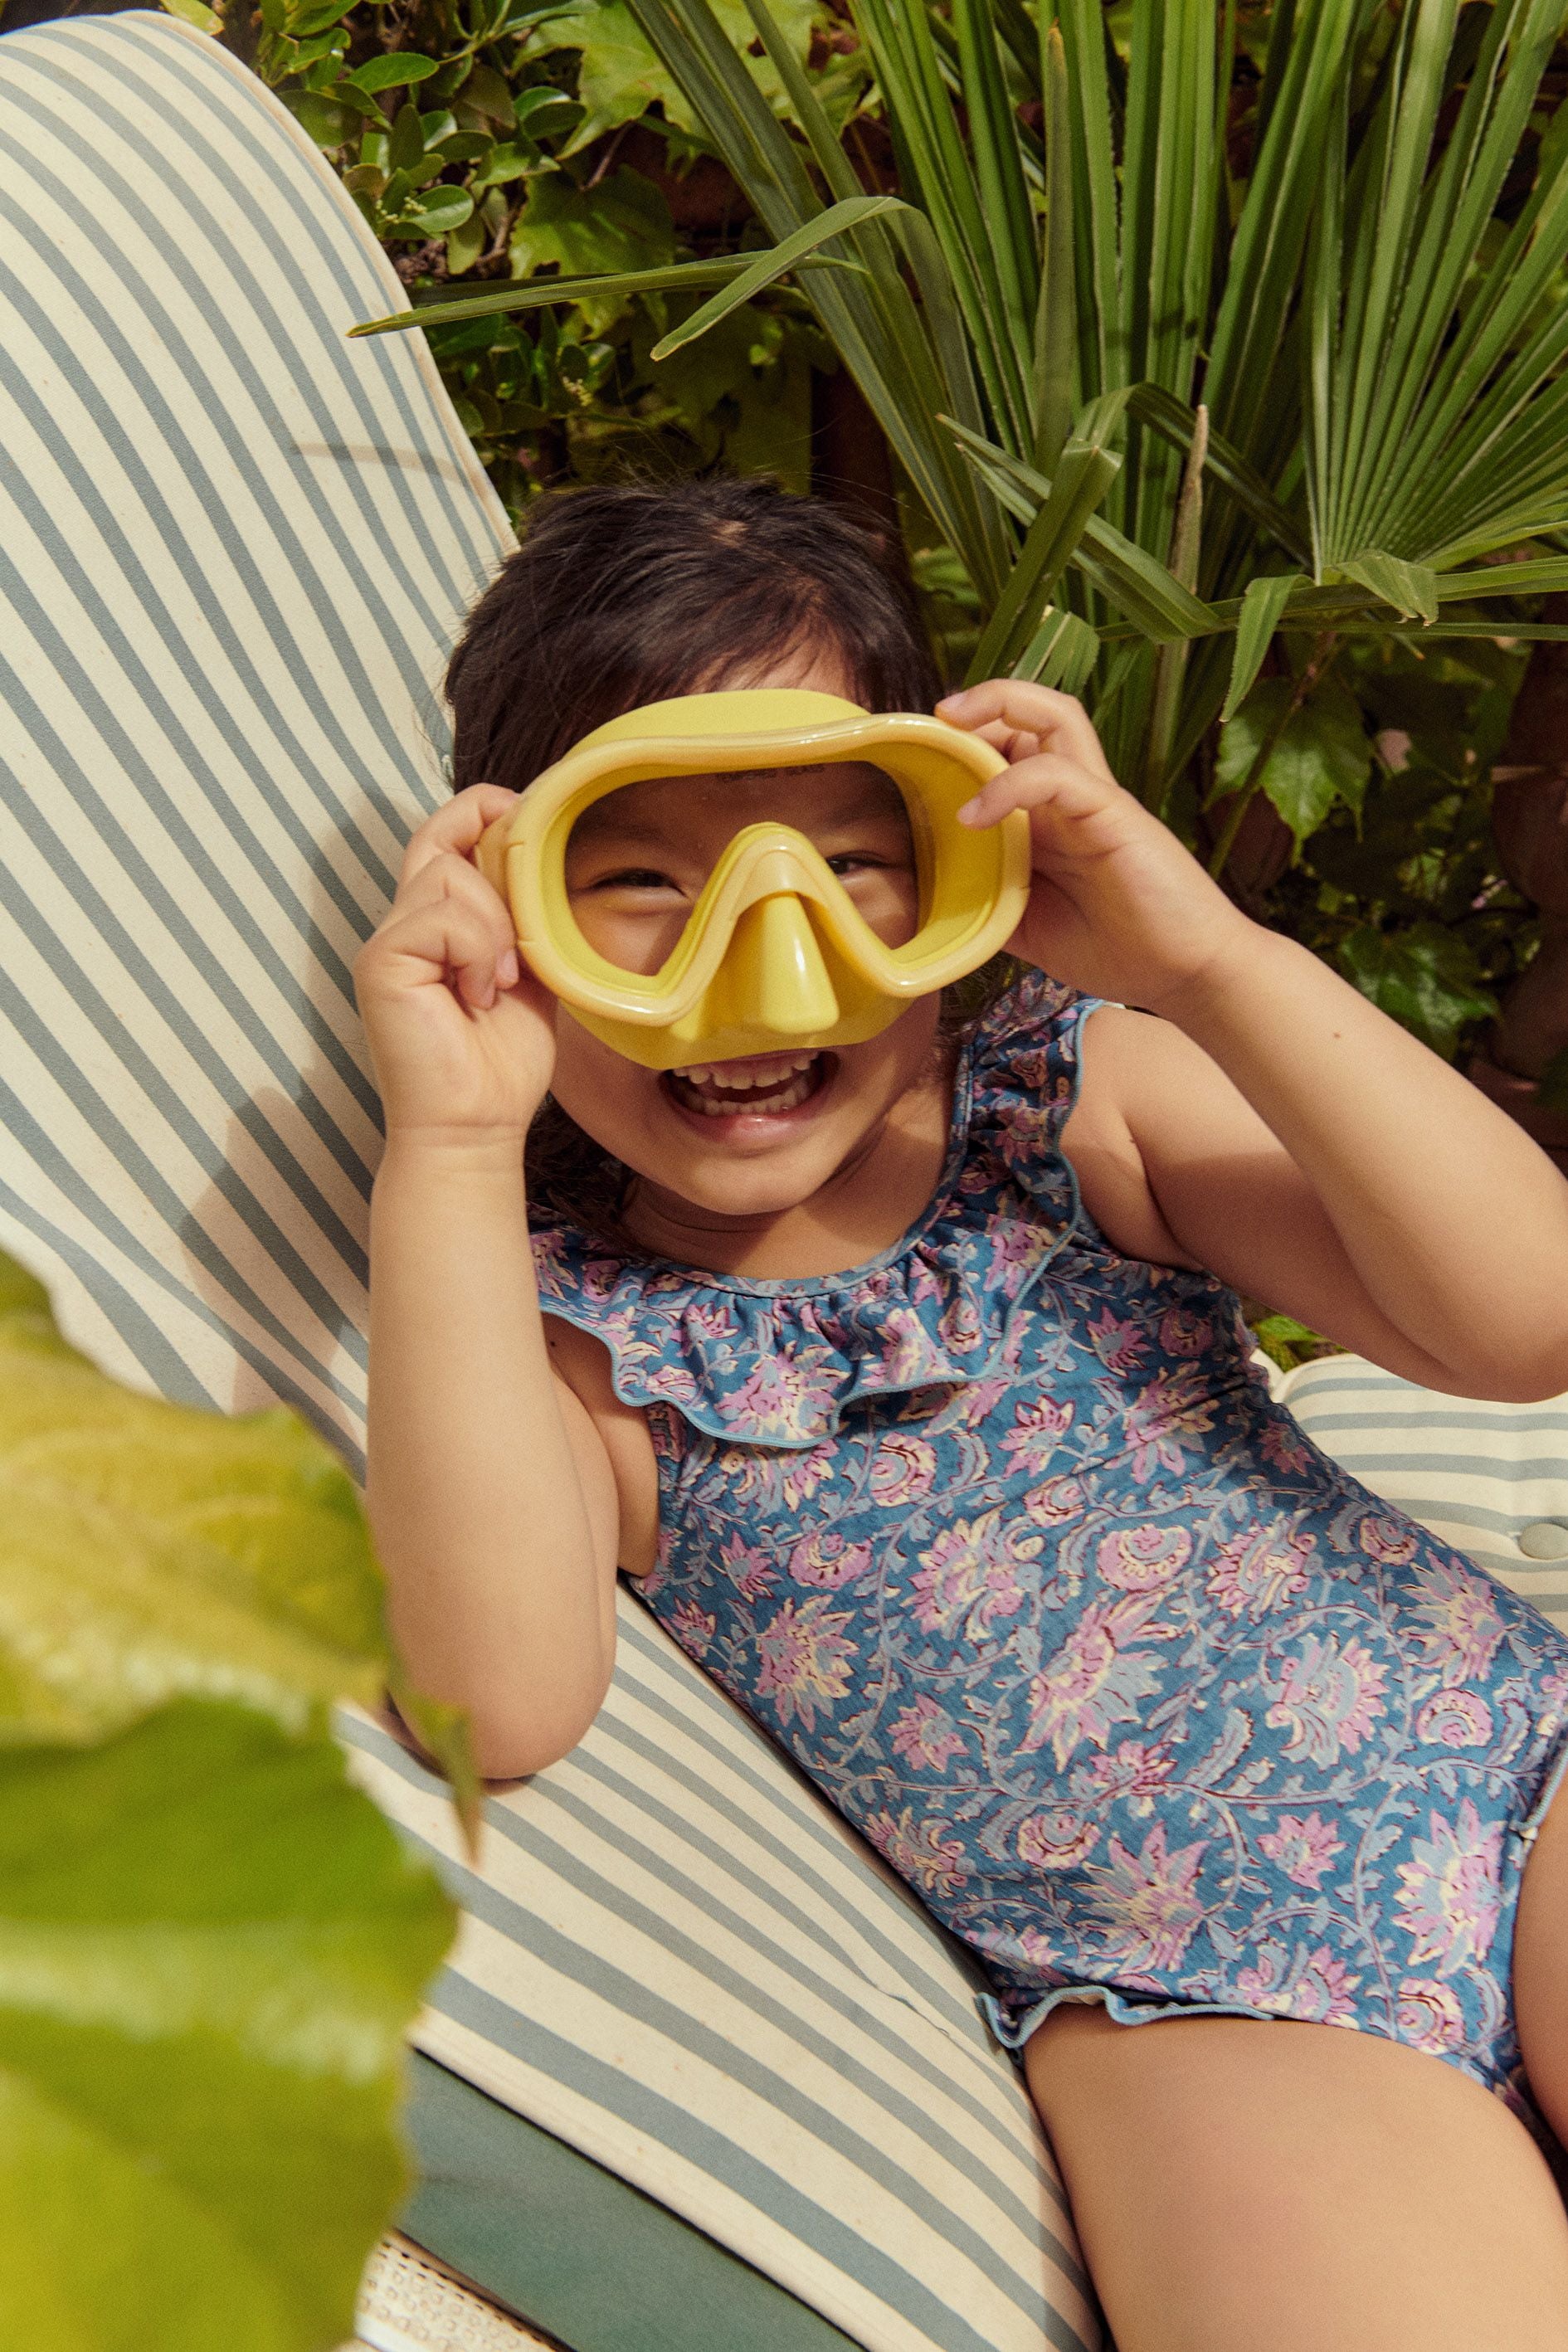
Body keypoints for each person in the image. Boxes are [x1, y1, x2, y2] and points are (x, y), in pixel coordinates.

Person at [355, 475, 1568, 2352]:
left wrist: (1208, 961)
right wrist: (445, 1132)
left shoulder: (1074, 1100)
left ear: (952, 871)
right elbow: (487, 1693)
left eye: (846, 862)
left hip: (1514, 1769)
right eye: (642, 878)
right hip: (1197, 2000)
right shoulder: (569, 1334)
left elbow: (1525, 1315)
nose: (754, 966)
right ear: (517, 903)